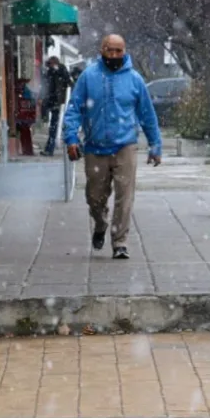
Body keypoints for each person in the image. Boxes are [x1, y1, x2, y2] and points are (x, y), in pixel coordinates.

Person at [63, 34, 162, 259]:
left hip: (125, 146)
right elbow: (74, 109)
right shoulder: (88, 77)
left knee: (125, 197)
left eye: (119, 50)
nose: (114, 55)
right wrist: (71, 138)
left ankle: (120, 242)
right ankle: (100, 223)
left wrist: (155, 145)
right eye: (110, 50)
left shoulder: (134, 80)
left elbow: (147, 114)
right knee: (94, 197)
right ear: (102, 50)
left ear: (125, 51)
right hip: (95, 147)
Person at [41, 56, 72, 156]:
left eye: (51, 64)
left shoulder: (60, 70)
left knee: (54, 126)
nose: (50, 66)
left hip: (56, 101)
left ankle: (50, 149)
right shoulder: (51, 71)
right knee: (54, 125)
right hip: (51, 100)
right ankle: (50, 148)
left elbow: (69, 82)